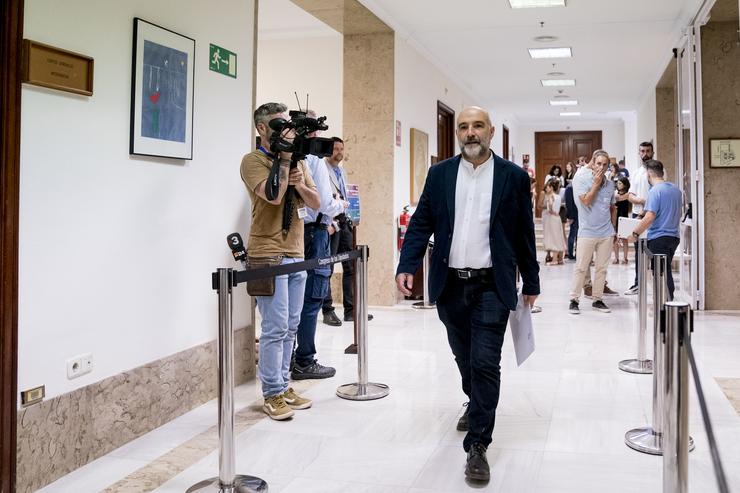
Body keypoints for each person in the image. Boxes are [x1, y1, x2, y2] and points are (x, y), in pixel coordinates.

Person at [396, 106, 539, 483]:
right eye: (464, 127)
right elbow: (421, 222)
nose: (470, 132)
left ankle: (478, 444)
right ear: (457, 133)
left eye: (477, 126)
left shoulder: (512, 177)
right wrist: (406, 264)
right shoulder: (440, 174)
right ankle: (474, 400)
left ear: (491, 131)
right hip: (450, 284)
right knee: (463, 354)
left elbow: (524, 231)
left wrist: (533, 281)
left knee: (485, 361)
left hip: (493, 283)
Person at [240, 102, 320, 420]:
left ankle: (283, 386)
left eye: (287, 124)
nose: (285, 130)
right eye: (278, 125)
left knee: (290, 326)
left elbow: (316, 204)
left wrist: (299, 179)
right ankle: (271, 392)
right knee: (274, 327)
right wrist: (285, 162)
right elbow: (272, 195)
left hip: (296, 251)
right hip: (266, 252)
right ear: (261, 128)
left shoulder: (299, 162)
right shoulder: (252, 161)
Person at [292, 122, 347, 380]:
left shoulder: (289, 156)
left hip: (295, 233)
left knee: (293, 300)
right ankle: (304, 359)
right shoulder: (313, 160)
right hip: (315, 232)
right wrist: (342, 205)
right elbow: (324, 203)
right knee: (312, 298)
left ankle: (292, 357)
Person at [322, 137, 374, 323]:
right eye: (336, 148)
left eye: (341, 148)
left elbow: (346, 195)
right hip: (330, 223)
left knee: (351, 266)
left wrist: (353, 215)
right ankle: (327, 309)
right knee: (326, 267)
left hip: (345, 222)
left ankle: (351, 310)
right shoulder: (322, 170)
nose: (339, 152)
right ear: (329, 150)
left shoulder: (341, 171)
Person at [567, 150, 616, 314]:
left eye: (605, 165)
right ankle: (574, 300)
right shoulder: (582, 178)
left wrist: (613, 230)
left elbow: (610, 207)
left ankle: (598, 299)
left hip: (606, 232)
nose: (601, 167)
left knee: (602, 268)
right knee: (581, 267)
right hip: (587, 231)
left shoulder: (610, 184)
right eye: (598, 163)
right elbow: (586, 201)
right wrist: (595, 183)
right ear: (592, 163)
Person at [626, 160, 682, 299]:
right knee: (665, 269)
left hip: (659, 238)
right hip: (674, 237)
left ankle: (665, 305)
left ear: (649, 174)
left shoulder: (655, 191)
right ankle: (666, 302)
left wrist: (635, 233)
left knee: (660, 273)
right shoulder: (676, 190)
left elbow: (650, 216)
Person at [624, 142, 653, 295]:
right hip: (637, 215)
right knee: (638, 251)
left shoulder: (659, 171)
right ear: (639, 153)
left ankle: (656, 284)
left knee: (653, 250)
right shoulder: (636, 173)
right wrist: (641, 201)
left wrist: (646, 205)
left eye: (648, 151)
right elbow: (630, 195)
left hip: (653, 216)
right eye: (642, 151)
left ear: (652, 152)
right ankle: (638, 283)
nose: (645, 154)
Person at [542, 179, 567, 265]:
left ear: (551, 187)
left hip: (552, 218)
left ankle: (555, 259)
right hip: (557, 218)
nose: (546, 189)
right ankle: (560, 259)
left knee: (553, 237)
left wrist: (550, 207)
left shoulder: (551, 196)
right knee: (559, 237)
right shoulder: (559, 196)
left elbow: (551, 209)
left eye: (548, 187)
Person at [613, 176, 631, 264]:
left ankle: (625, 258)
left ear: (625, 185)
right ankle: (616, 258)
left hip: (624, 218)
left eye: (620, 183)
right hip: (616, 218)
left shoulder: (628, 194)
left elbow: (619, 198)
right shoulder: (616, 194)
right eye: (617, 183)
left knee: (624, 239)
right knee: (615, 239)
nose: (618, 184)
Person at [564, 180, 578, 260]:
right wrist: (570, 217)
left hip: (580, 215)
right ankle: (570, 253)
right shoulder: (569, 188)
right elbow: (568, 203)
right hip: (574, 215)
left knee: (578, 236)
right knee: (572, 235)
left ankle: (577, 253)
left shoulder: (576, 186)